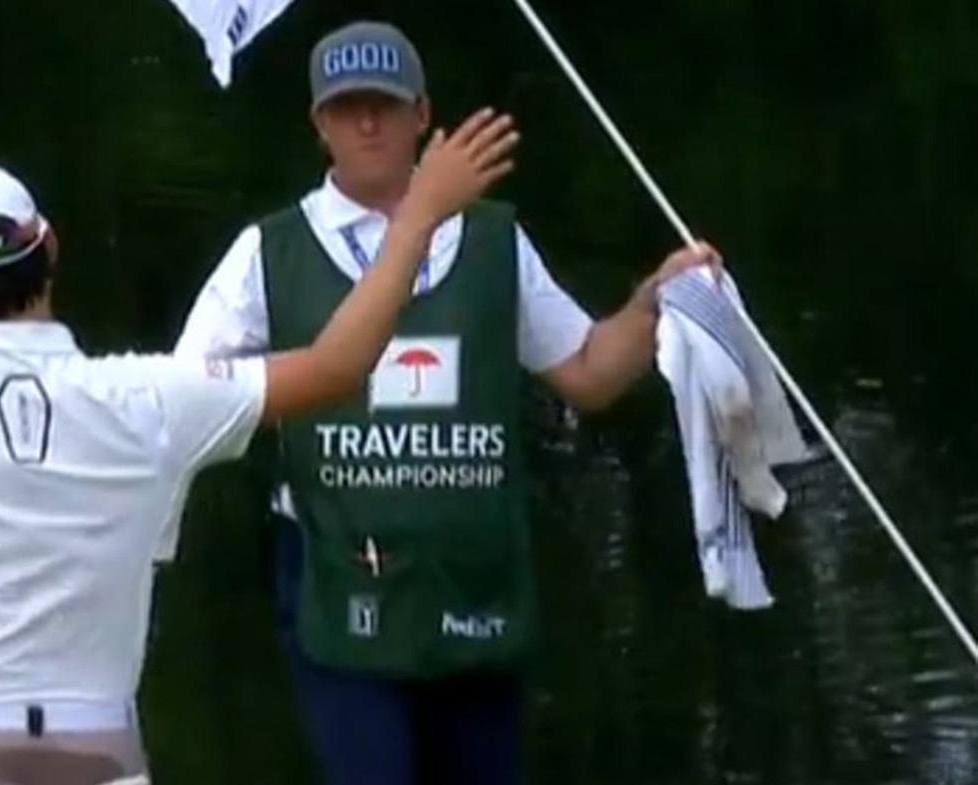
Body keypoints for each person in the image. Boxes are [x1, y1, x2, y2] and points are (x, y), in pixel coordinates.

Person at [0, 107, 518, 785]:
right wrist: (416, 218)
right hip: (100, 750)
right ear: (52, 249)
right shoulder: (152, 398)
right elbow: (337, 366)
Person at [173, 19, 718, 785]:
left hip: (475, 582)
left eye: (386, 105)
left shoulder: (494, 240)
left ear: (422, 114)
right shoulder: (269, 253)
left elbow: (590, 371)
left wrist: (656, 303)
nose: (368, 122)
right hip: (341, 585)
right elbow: (181, 405)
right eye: (348, 106)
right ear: (319, 124)